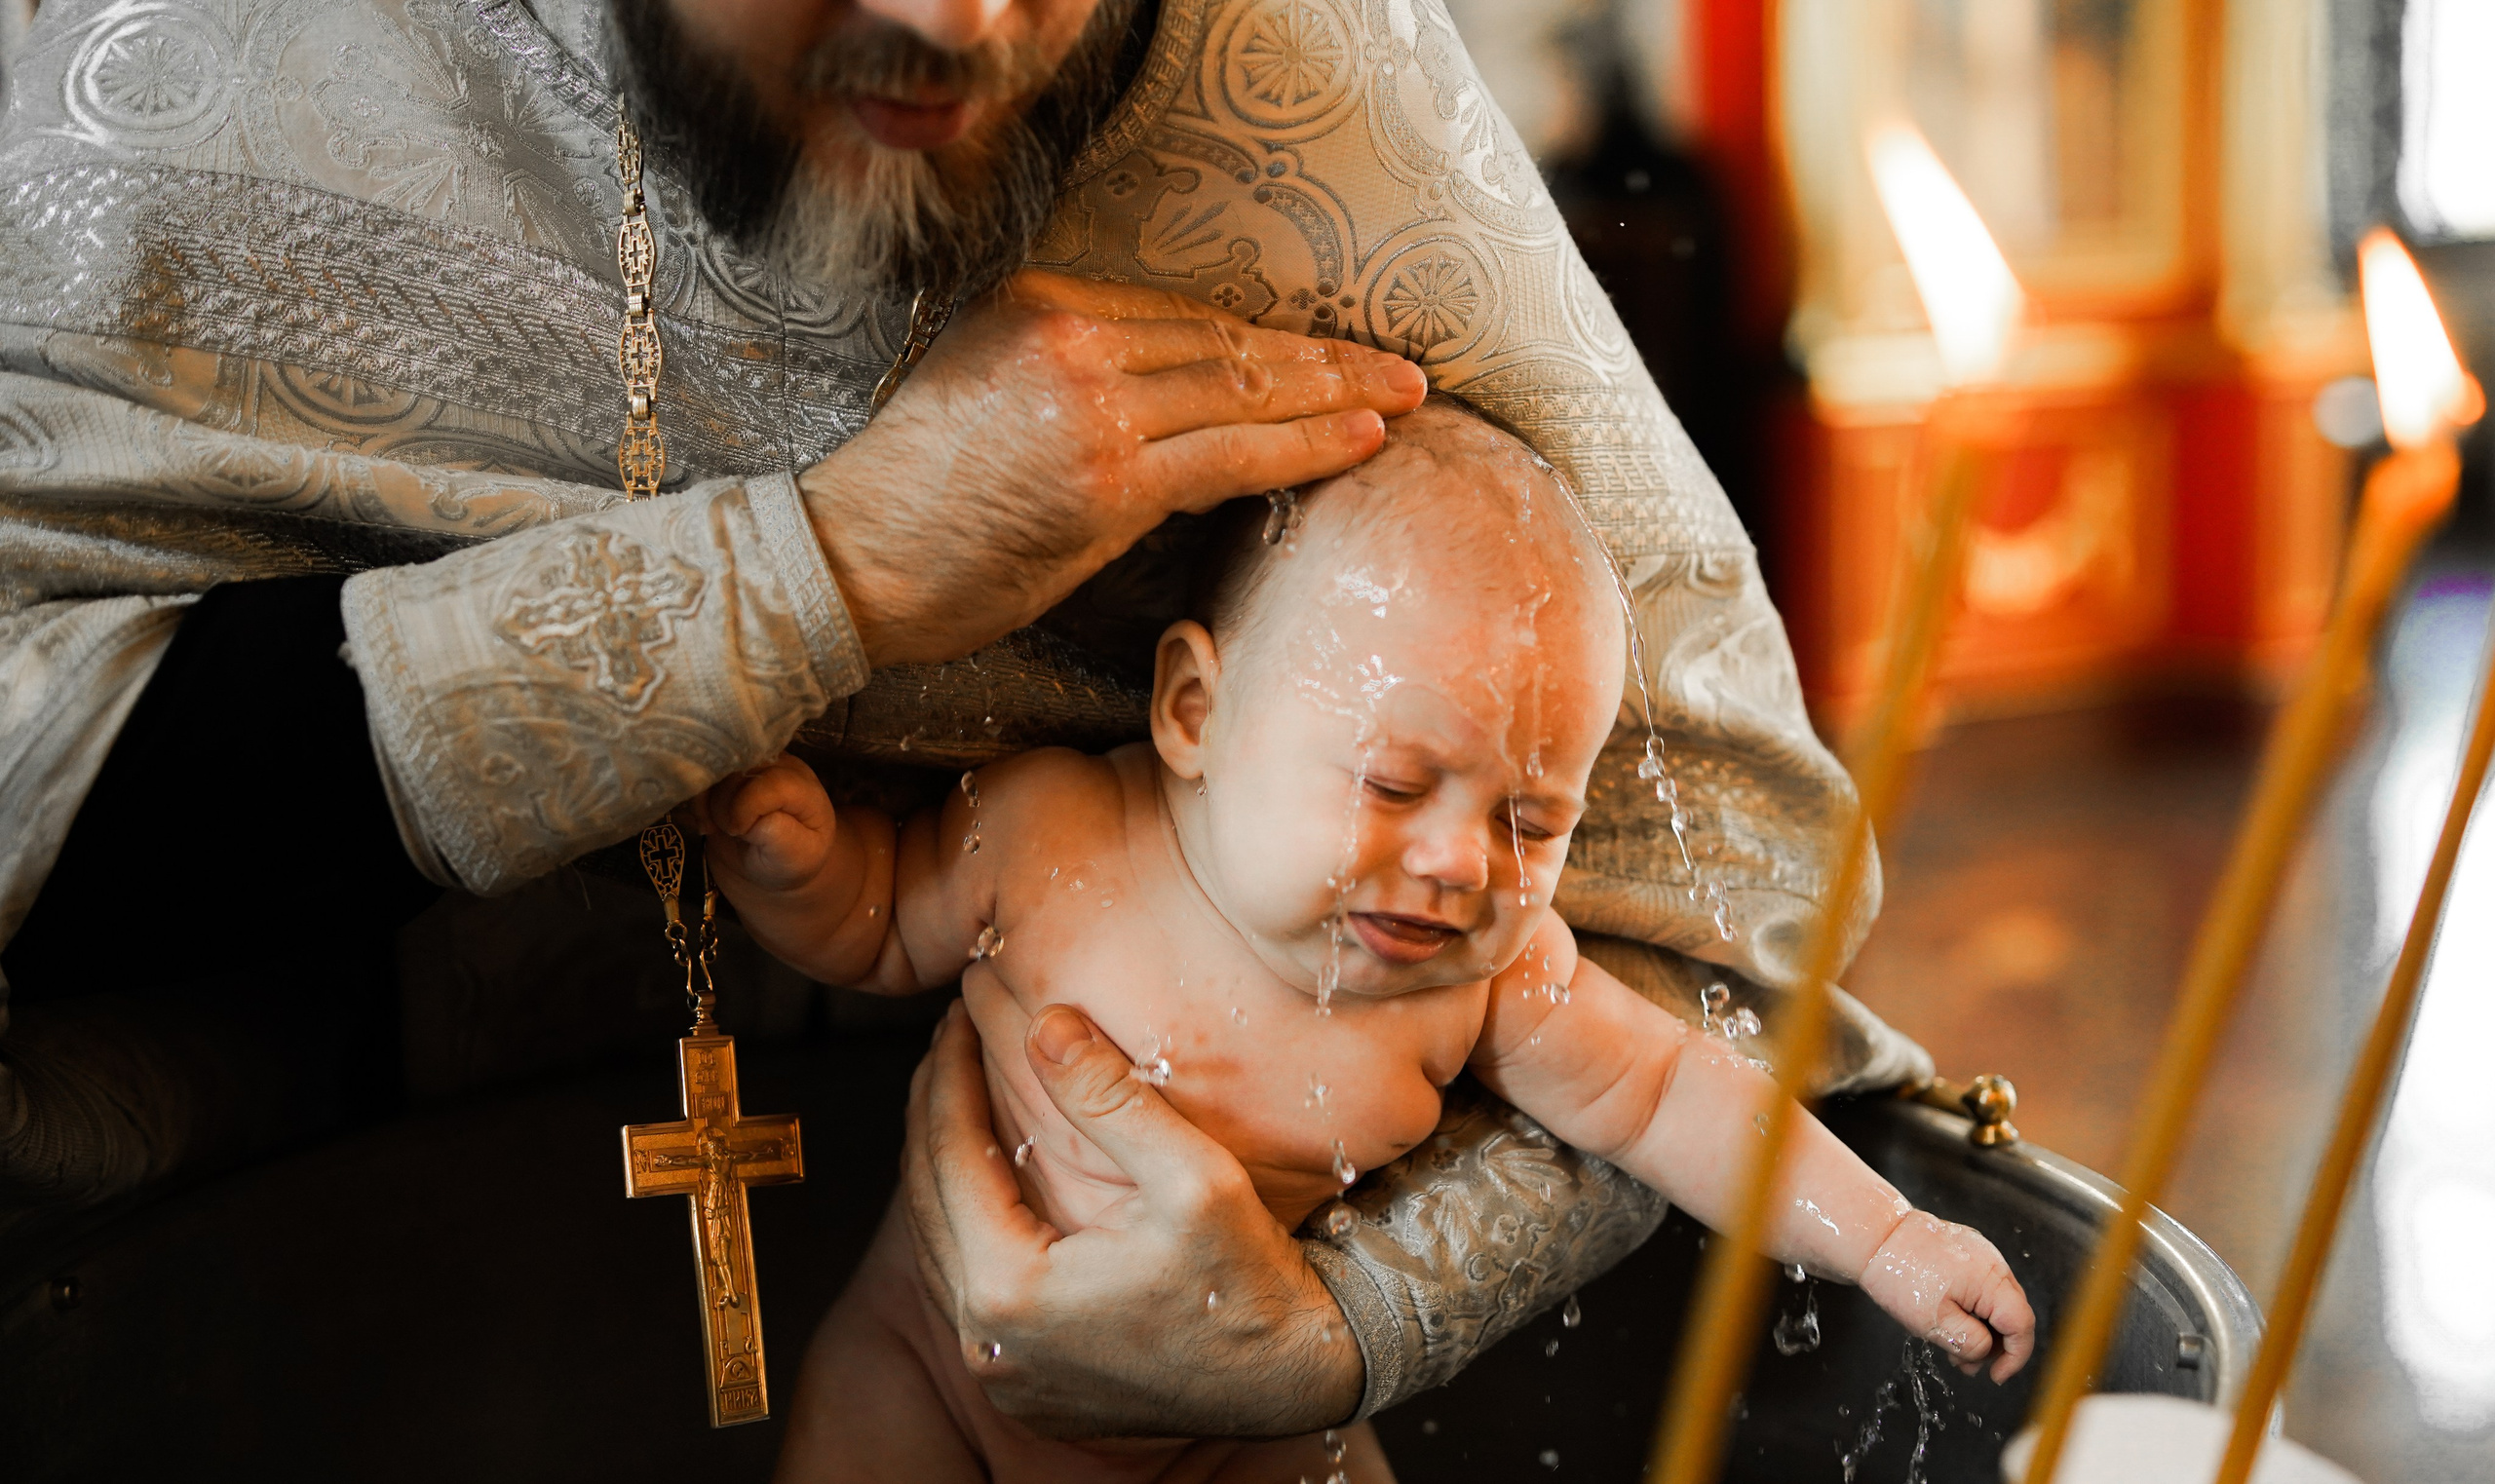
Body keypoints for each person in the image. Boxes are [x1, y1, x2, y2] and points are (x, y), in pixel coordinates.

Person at [0, 0, 1929, 1446]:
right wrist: (818, 573)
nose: (961, 22)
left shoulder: (1289, 74)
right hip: (223, 1314)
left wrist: (1338, 1330)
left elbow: (1712, 897)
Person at [702, 402, 2033, 1481]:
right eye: (1394, 785)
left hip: (1231, 1438)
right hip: (922, 1374)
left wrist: (1887, 1241)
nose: (1462, 863)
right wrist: (800, 868)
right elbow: (880, 928)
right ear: (1193, 711)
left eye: (1529, 820)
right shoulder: (1051, 833)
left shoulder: (1485, 984)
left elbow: (1676, 1092)